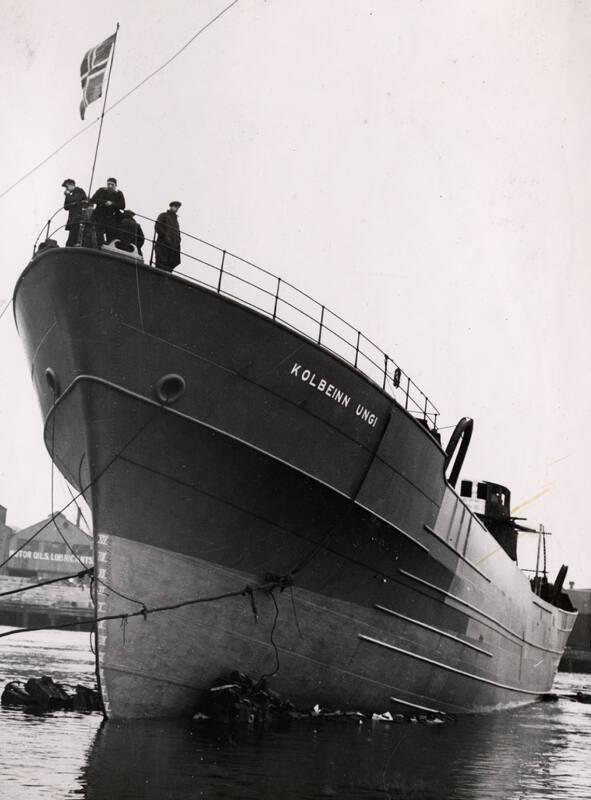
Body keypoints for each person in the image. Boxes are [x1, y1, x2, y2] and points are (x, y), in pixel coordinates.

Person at [90, 177, 126, 247]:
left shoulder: (119, 193)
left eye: (112, 185)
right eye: (108, 184)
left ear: (115, 185)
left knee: (111, 235)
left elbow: (122, 205)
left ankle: (109, 248)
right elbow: (93, 199)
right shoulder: (101, 190)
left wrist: (112, 203)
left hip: (111, 218)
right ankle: (100, 247)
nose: (110, 186)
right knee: (99, 233)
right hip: (100, 216)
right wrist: (104, 202)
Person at [154, 201, 182, 272]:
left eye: (178, 207)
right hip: (163, 245)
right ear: (171, 206)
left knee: (169, 267)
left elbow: (177, 233)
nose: (176, 209)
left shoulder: (176, 221)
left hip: (173, 248)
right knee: (161, 265)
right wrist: (165, 236)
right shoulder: (163, 215)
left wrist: (178, 240)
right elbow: (157, 227)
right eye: (175, 206)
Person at [62, 179, 87, 247]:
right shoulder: (72, 194)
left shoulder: (79, 191)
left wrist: (67, 195)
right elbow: (66, 207)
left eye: (67, 187)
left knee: (73, 239)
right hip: (73, 219)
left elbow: (74, 200)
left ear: (71, 185)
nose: (66, 189)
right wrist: (67, 196)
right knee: (71, 238)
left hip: (78, 218)